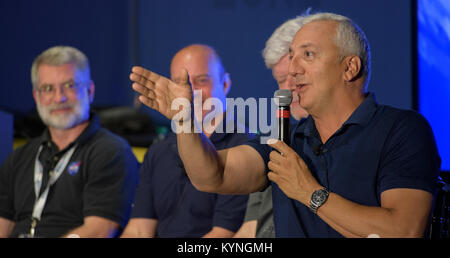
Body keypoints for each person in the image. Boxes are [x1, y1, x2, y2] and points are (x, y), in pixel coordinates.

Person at [130, 12, 441, 237]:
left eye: (308, 54)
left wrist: (309, 192)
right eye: (292, 57)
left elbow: (403, 231)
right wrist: (185, 120)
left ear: (350, 67)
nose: (293, 69)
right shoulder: (286, 138)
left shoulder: (402, 129)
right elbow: (213, 174)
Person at [0, 46, 139, 238]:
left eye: (70, 85)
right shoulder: (20, 158)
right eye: (48, 88)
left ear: (90, 91)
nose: (59, 97)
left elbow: (99, 231)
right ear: (36, 96)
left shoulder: (111, 152)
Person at [121, 44, 249, 238]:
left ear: (225, 84)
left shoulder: (246, 149)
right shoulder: (158, 151)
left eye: (202, 80)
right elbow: (139, 229)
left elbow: (223, 235)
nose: (190, 91)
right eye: (180, 83)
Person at [234, 16, 309, 238]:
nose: (286, 90)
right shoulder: (276, 142)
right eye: (280, 80)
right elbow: (250, 231)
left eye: (293, 77)